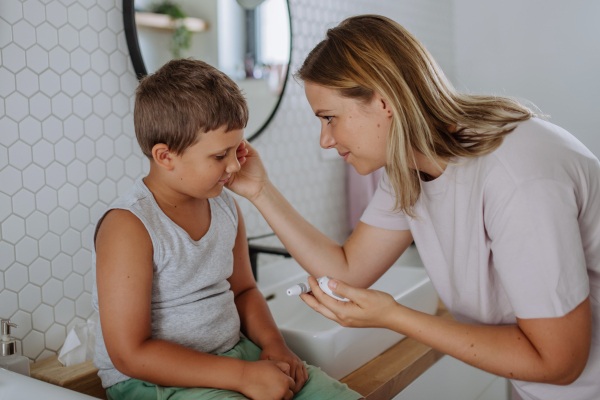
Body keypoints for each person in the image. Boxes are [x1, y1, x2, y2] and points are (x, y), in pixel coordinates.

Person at [228, 15, 600, 400]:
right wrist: (260, 190)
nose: (325, 140)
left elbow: (561, 362)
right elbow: (348, 270)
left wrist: (392, 316)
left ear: (384, 100)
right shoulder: (409, 167)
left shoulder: (517, 177)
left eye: (329, 118)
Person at [91, 59, 362, 400]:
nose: (234, 166)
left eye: (237, 150)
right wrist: (242, 375)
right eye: (220, 156)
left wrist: (275, 345)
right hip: (156, 381)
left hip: (234, 356)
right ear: (165, 156)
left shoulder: (223, 204)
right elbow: (130, 354)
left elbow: (245, 291)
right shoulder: (128, 226)